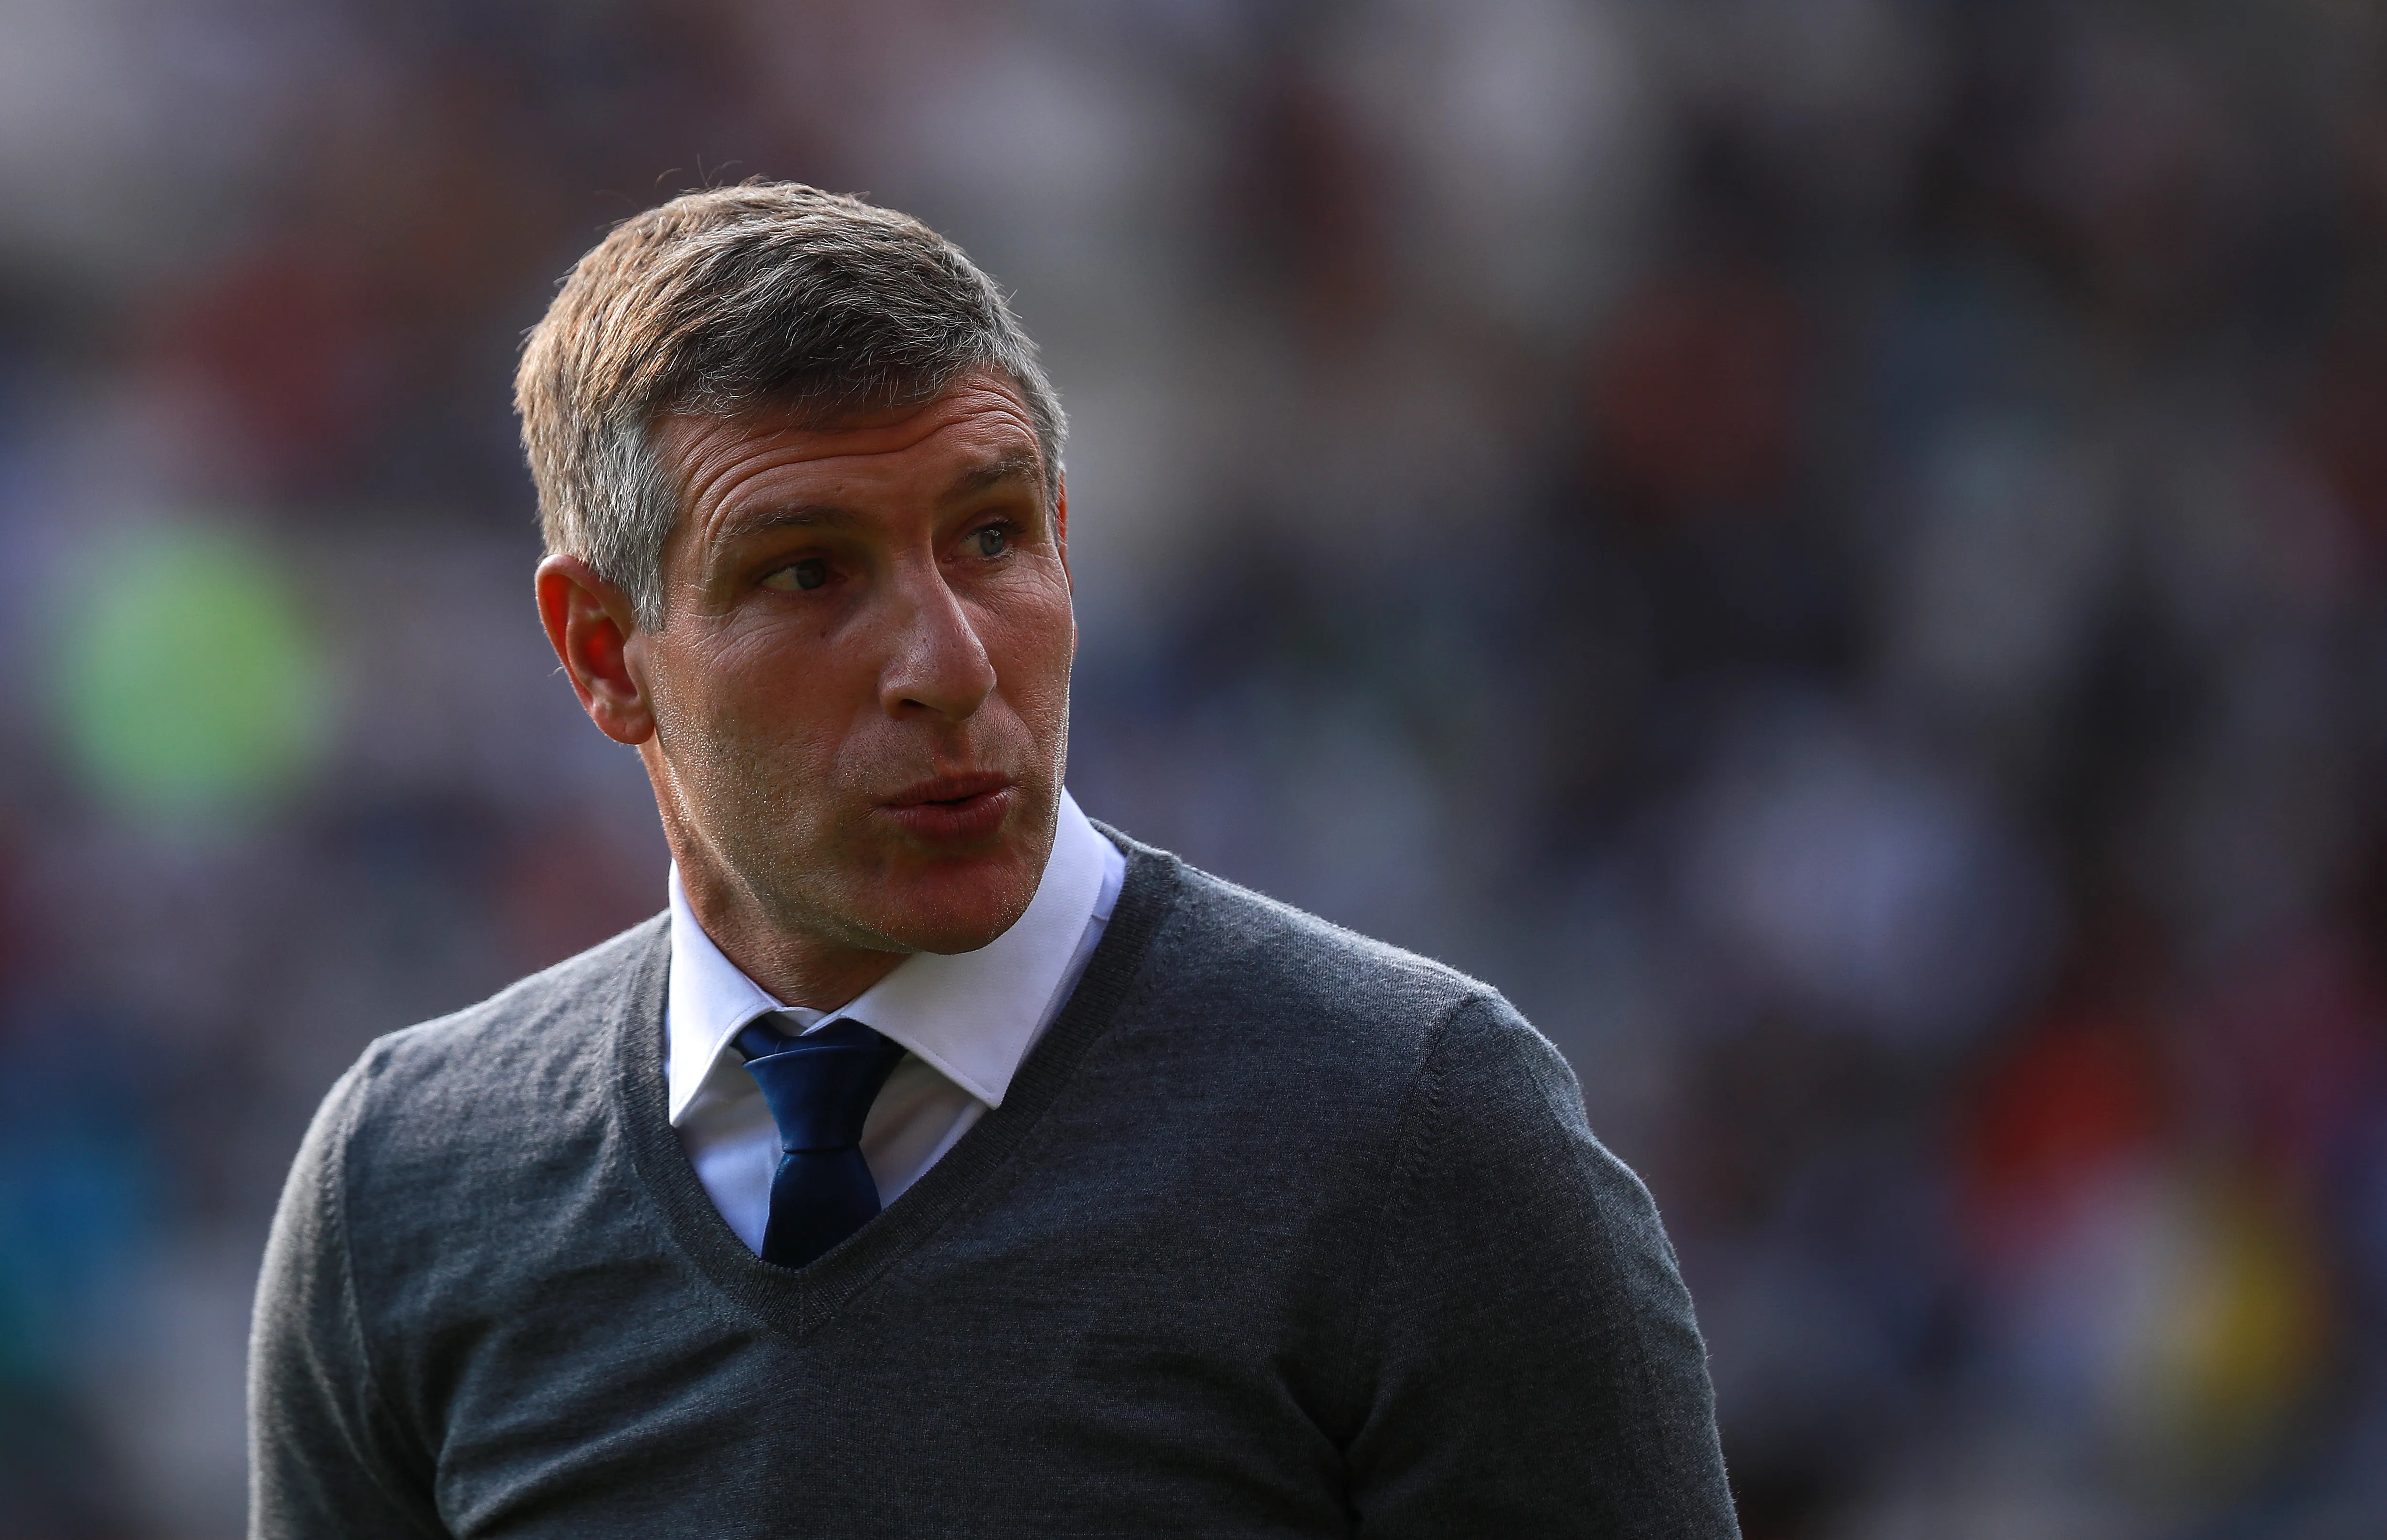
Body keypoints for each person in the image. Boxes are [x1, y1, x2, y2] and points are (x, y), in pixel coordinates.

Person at [247, 181, 1740, 1538]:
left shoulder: (1421, 1137)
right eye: (810, 571)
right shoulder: (404, 1186)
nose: (949, 665)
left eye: (991, 537)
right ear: (602, 651)